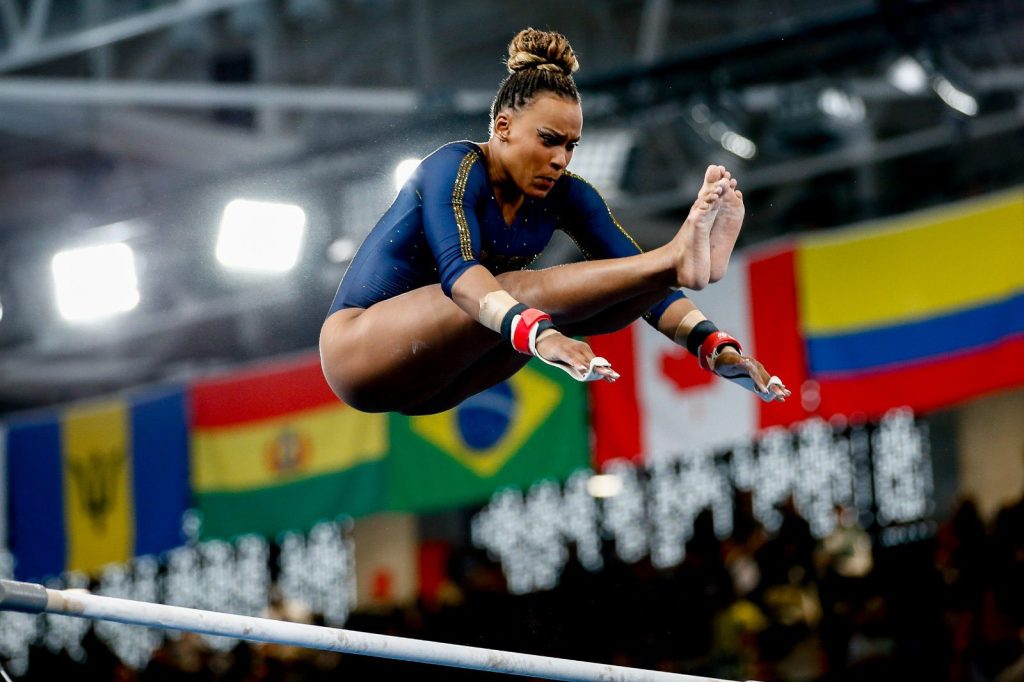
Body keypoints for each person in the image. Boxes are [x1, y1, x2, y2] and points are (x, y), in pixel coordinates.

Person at [320, 28, 790, 415]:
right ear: (502, 127)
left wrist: (715, 348)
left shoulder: (570, 197)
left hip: (436, 385)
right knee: (518, 293)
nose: (559, 159)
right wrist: (542, 336)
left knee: (609, 295)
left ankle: (675, 261)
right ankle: (674, 257)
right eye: (548, 140)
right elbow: (458, 275)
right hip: (360, 353)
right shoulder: (454, 168)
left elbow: (633, 276)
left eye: (570, 146)